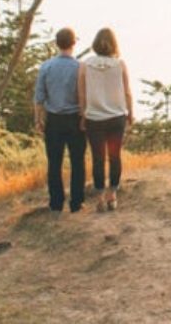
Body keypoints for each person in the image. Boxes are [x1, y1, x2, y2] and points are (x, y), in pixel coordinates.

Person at [78, 27, 134, 212]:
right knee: (115, 156)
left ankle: (100, 198)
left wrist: (82, 115)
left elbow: (82, 94)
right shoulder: (120, 64)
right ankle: (113, 195)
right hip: (117, 116)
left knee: (98, 158)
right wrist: (130, 113)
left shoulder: (85, 65)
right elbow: (127, 92)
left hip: (94, 118)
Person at [34, 28, 87, 212]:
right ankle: (76, 203)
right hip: (75, 119)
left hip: (54, 120)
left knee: (54, 163)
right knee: (77, 161)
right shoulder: (80, 67)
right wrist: (84, 117)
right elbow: (84, 96)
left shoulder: (46, 67)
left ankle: (56, 203)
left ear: (57, 44)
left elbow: (39, 97)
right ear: (73, 43)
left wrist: (38, 119)